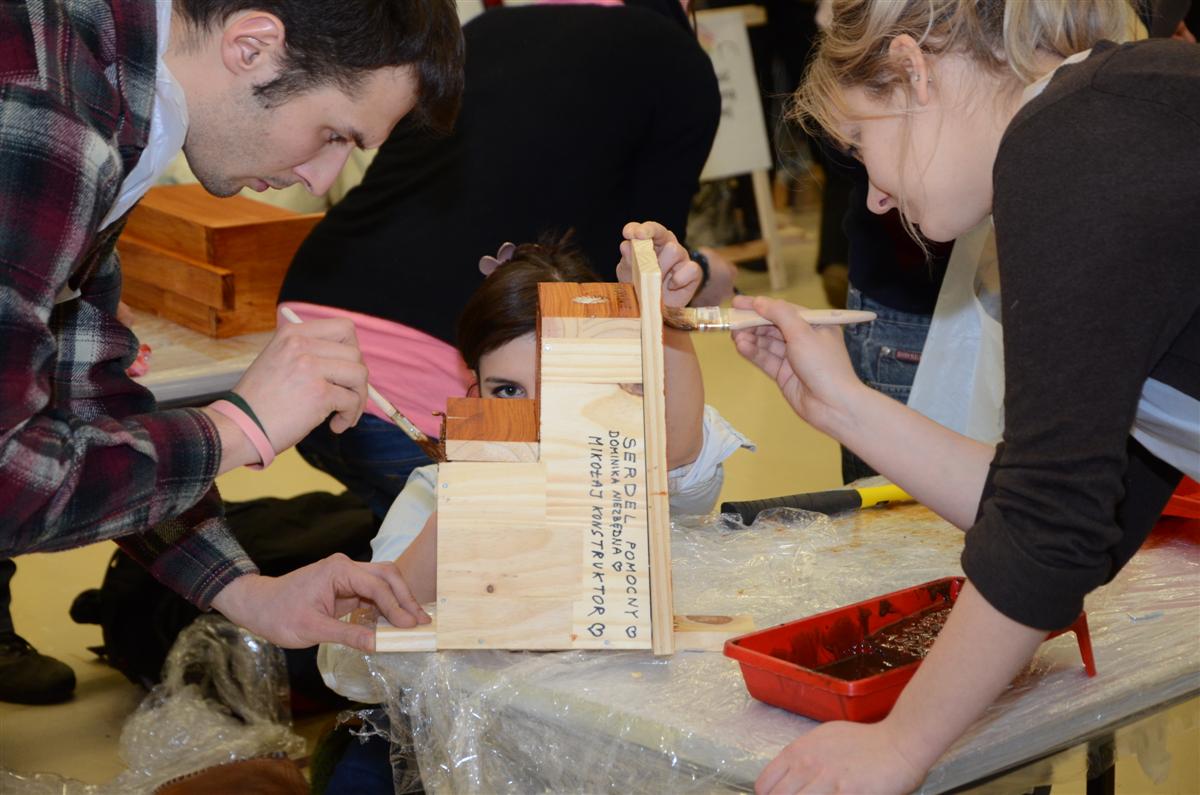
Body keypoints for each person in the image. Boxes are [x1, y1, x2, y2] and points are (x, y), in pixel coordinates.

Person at [724, 1, 1198, 791]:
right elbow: (1092, 520)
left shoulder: (1068, 142)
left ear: (912, 70)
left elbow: (1051, 532)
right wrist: (842, 403)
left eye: (860, 144)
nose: (874, 199)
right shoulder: (1106, 125)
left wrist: (898, 743)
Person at [0, 0, 464, 678]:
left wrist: (244, 591)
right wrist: (238, 429)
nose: (320, 179)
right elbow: (11, 480)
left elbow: (86, 398)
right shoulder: (51, 111)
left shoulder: (112, 96)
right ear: (252, 47)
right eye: (333, 134)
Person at [277, 0, 722, 519]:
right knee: (513, 555)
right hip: (420, 393)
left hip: (304, 345)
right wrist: (698, 275)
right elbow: (645, 260)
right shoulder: (676, 61)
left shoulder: (489, 28)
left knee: (409, 546)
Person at [374, 224, 754, 599]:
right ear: (475, 388)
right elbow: (377, 611)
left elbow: (677, 452)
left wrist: (662, 316)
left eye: (559, 382)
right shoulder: (429, 493)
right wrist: (462, 512)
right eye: (508, 390)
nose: (538, 416)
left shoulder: (632, 464)